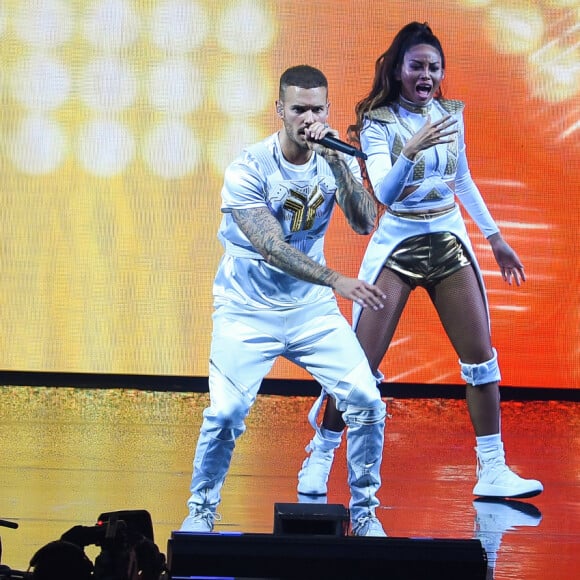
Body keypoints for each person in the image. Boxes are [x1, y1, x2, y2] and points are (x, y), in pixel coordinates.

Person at [297, 22, 543, 502]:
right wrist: (409, 152)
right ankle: (321, 454)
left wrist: (495, 238)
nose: (426, 74)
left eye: (434, 66)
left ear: (442, 72)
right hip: (398, 245)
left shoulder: (452, 114)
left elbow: (463, 178)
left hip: (448, 240)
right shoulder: (378, 122)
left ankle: (492, 470)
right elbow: (385, 193)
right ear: (399, 70)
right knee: (358, 365)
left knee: (481, 359)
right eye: (417, 66)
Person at [180, 65, 388, 537]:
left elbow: (362, 222)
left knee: (367, 401)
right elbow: (272, 247)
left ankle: (364, 512)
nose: (308, 118)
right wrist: (337, 279)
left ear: (328, 110)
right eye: (298, 109)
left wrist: (338, 162)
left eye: (317, 109)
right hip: (246, 310)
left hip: (310, 310)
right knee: (227, 413)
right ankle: (201, 510)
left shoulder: (334, 159)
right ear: (280, 111)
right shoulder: (248, 167)